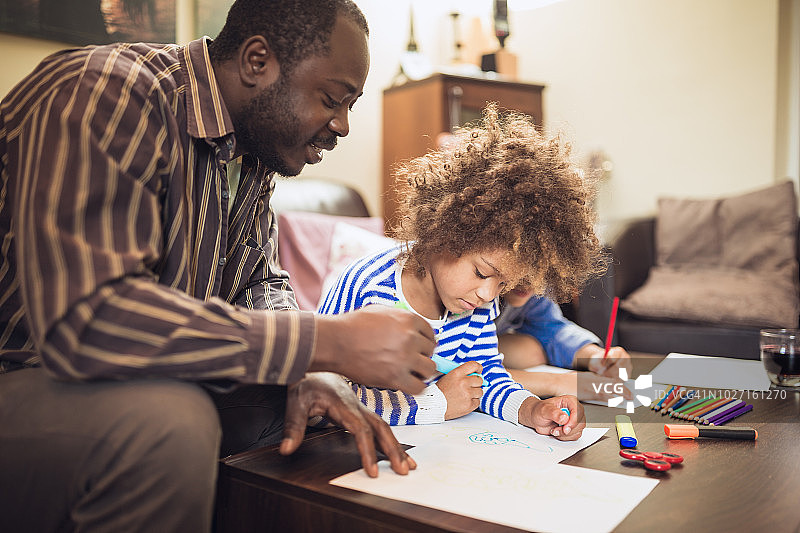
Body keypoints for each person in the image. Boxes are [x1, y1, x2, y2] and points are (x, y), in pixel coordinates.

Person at [0, 1, 439, 531]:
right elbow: (91, 320)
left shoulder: (249, 157)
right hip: (27, 373)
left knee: (319, 418)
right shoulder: (107, 93)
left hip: (123, 378)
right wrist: (330, 342)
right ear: (257, 62)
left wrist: (309, 369)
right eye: (331, 99)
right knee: (167, 423)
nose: (342, 125)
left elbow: (261, 281)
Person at [318, 104, 606, 440]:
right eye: (482, 273)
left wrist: (531, 410)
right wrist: (434, 403)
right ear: (443, 232)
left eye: (503, 285)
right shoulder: (367, 286)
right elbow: (326, 397)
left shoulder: (478, 306)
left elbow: (487, 379)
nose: (488, 296)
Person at [496, 286, 634, 402]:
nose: (528, 283)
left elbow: (551, 329)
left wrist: (593, 356)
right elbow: (476, 370)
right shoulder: (478, 294)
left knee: (528, 352)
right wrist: (556, 383)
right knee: (526, 353)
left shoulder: (534, 287)